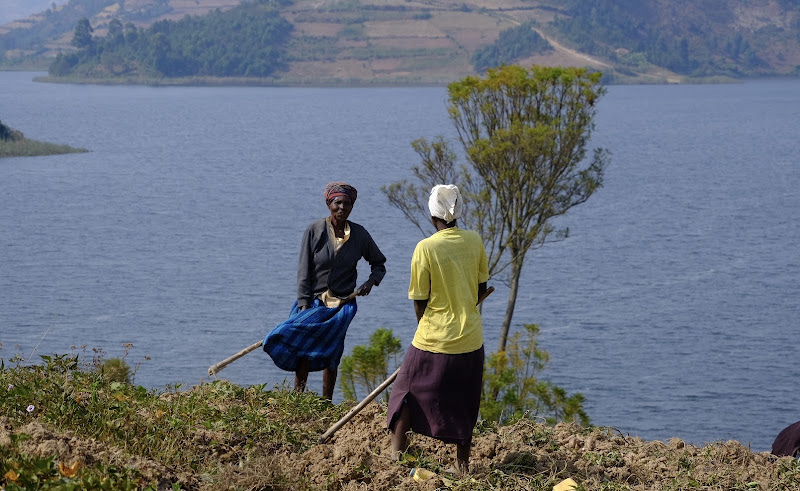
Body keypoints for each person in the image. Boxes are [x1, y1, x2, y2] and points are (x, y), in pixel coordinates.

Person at [386, 184, 489, 474]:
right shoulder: (474, 240)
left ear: (433, 216)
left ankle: (397, 456)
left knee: (406, 390)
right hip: (470, 339)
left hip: (433, 338)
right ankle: (462, 466)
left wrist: (427, 329)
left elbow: (420, 300)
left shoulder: (426, 247)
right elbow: (479, 289)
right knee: (464, 399)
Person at [263, 182, 386, 400]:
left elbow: (379, 264)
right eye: (337, 203)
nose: (342, 208)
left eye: (347, 204)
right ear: (329, 204)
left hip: (342, 304)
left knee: (333, 351)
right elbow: (304, 270)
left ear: (352, 207)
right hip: (313, 302)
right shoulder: (314, 230)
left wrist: (371, 281)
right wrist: (304, 305)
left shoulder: (359, 235)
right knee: (302, 348)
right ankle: (297, 399)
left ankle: (326, 402)